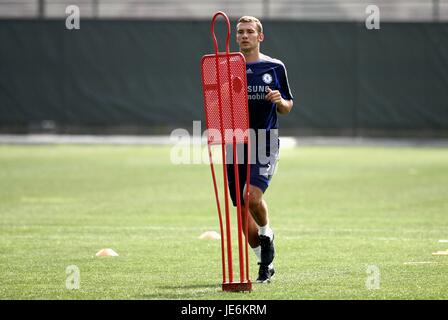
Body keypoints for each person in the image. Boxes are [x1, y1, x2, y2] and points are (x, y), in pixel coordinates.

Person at [226, 16, 294, 283]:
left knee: (251, 197)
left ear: (259, 37)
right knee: (242, 214)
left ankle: (267, 232)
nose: (244, 36)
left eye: (250, 32)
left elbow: (288, 106)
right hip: (235, 142)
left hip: (264, 142)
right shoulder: (227, 67)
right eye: (240, 32)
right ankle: (265, 263)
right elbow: (218, 104)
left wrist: (279, 100)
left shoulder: (274, 66)